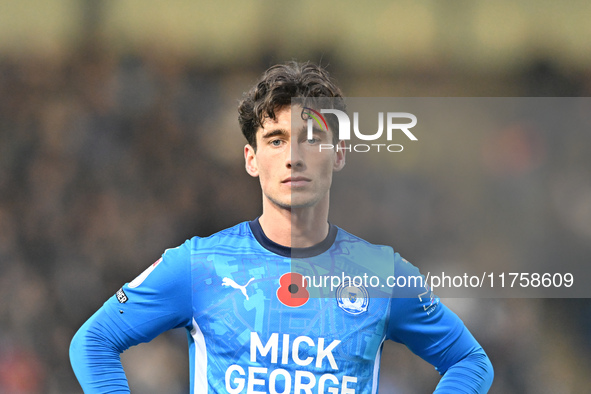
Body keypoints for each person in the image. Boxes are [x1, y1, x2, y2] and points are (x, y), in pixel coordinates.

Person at [70, 61, 494, 393]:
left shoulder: (381, 275)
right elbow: (93, 342)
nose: (293, 156)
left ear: (339, 153)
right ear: (251, 159)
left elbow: (471, 363)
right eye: (275, 139)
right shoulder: (200, 264)